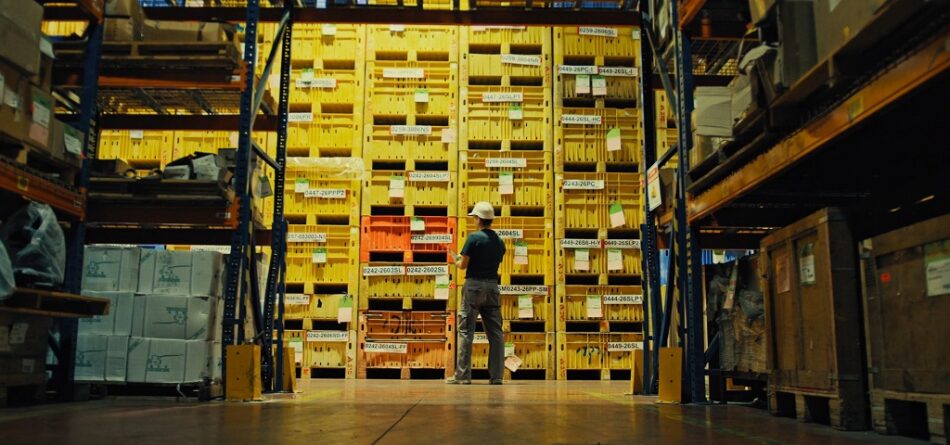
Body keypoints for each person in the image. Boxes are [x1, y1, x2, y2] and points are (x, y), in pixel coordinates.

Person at [446, 201, 506, 385]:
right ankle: (496, 377)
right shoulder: (499, 241)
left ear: (478, 219)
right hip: (492, 287)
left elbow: (463, 265)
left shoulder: (474, 238)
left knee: (466, 332)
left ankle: (463, 376)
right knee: (495, 333)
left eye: (474, 218)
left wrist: (454, 257)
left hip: (473, 287)